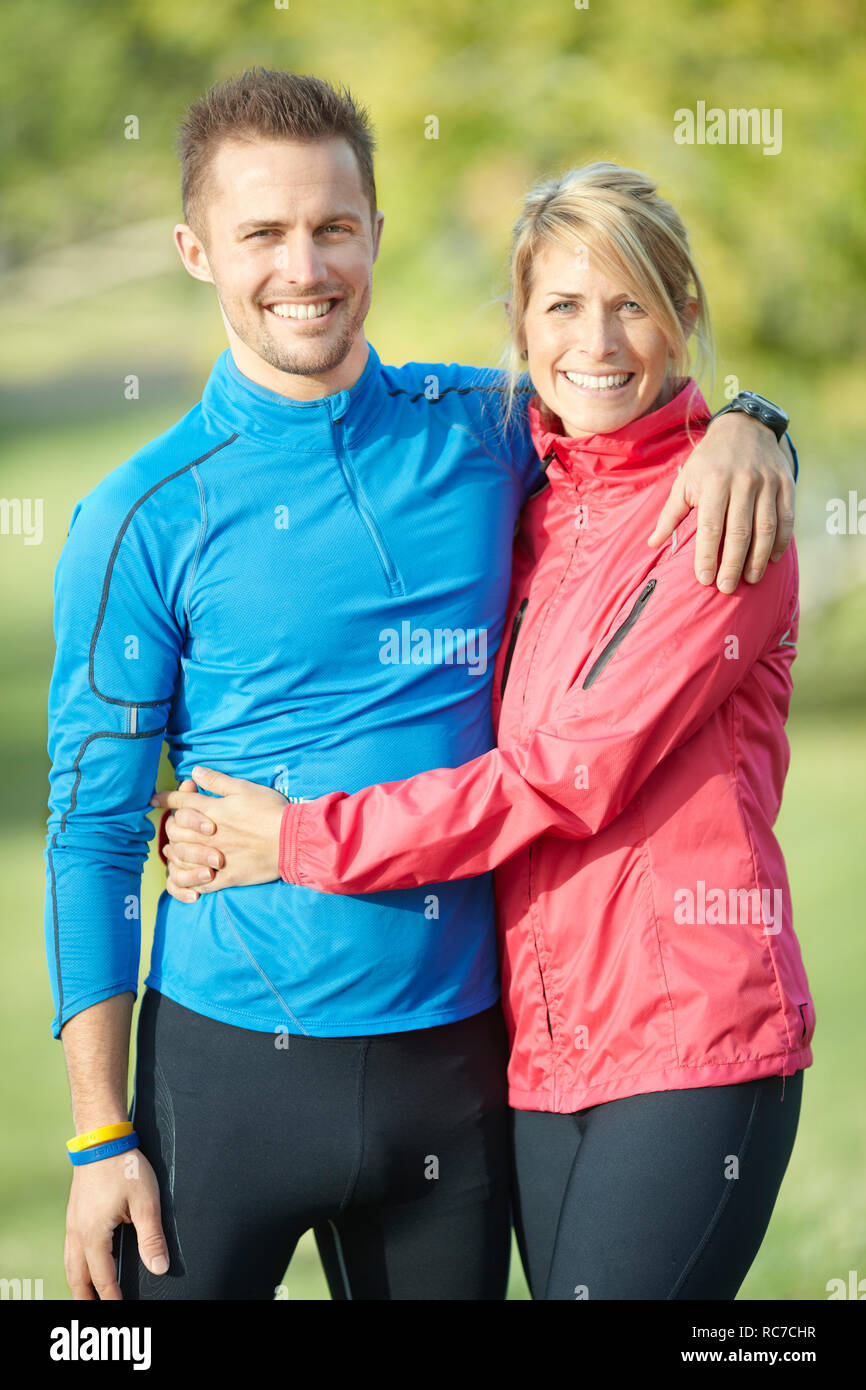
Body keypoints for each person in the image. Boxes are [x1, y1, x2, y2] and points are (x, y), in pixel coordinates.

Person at [45, 64, 798, 1303]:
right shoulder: (136, 515)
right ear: (196, 249)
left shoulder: (486, 429)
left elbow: (624, 406)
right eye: (263, 234)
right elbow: (92, 836)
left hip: (453, 1076)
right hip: (224, 1074)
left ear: (376, 235)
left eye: (334, 227)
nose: (305, 266)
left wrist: (751, 423)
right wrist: (95, 1134)